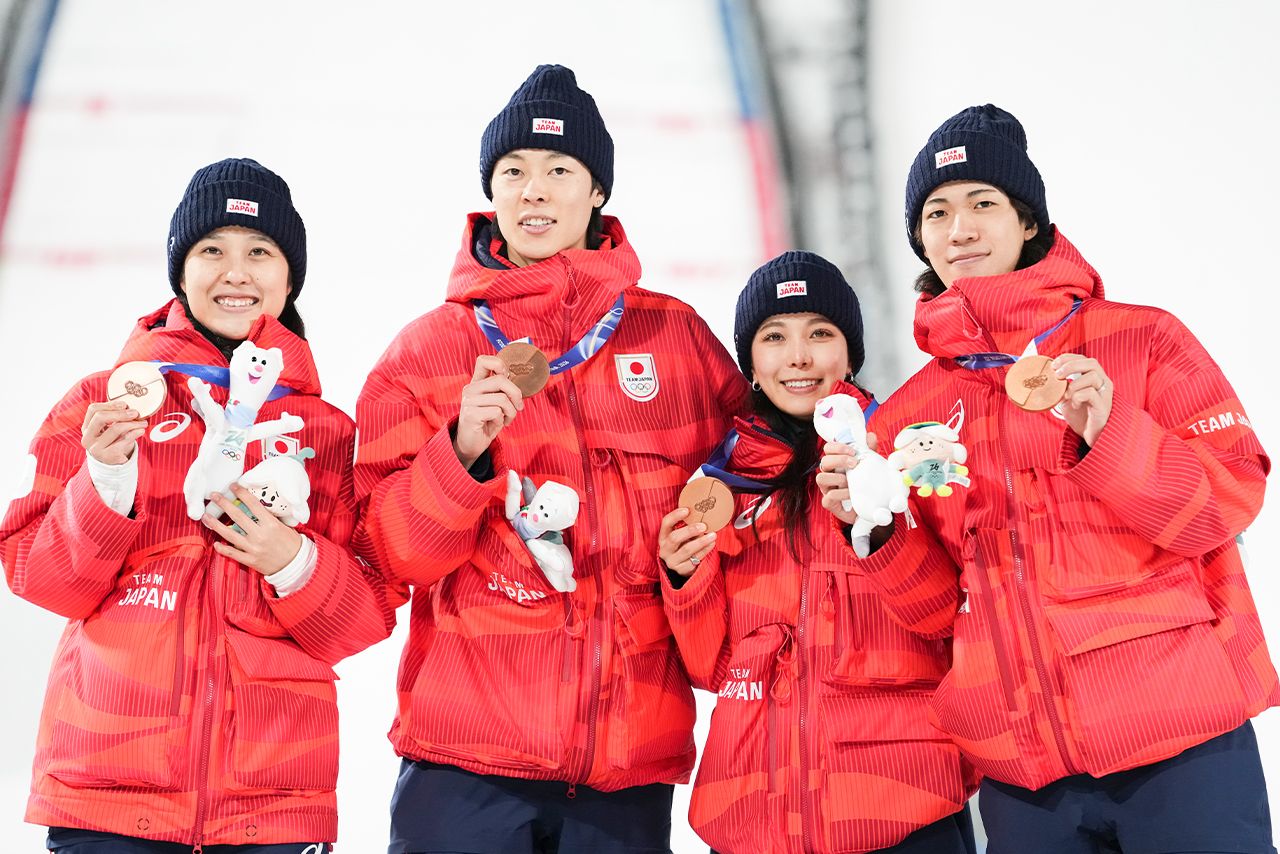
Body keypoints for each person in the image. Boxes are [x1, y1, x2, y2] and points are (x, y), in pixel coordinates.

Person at [818, 104, 1278, 852]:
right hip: (1023, 775)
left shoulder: (1141, 338)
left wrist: (1111, 434)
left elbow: (1226, 505)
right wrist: (870, 531)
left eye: (982, 204)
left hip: (1181, 745)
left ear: (1029, 222)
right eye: (936, 212)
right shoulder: (912, 412)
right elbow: (937, 612)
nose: (958, 228)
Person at [352, 64, 748, 854]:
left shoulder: (678, 343)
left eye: (559, 170)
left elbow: (752, 499)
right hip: (464, 770)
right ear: (490, 192)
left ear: (596, 191)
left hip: (624, 772)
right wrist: (460, 453)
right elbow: (382, 558)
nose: (535, 190)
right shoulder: (429, 351)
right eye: (514, 172)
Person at [1, 158, 394, 852]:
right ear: (180, 271)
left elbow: (362, 619)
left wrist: (294, 562)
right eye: (211, 249)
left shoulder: (326, 432)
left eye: (260, 252)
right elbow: (43, 578)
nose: (235, 271)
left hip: (270, 811)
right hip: (108, 803)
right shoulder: (103, 403)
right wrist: (106, 479)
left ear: (289, 276)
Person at [656, 251, 978, 854]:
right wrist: (683, 574)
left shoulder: (905, 454)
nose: (797, 357)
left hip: (899, 810)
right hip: (753, 816)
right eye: (774, 336)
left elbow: (944, 618)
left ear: (851, 353)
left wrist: (877, 531)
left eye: (820, 334)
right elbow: (710, 668)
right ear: (749, 360)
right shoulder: (724, 482)